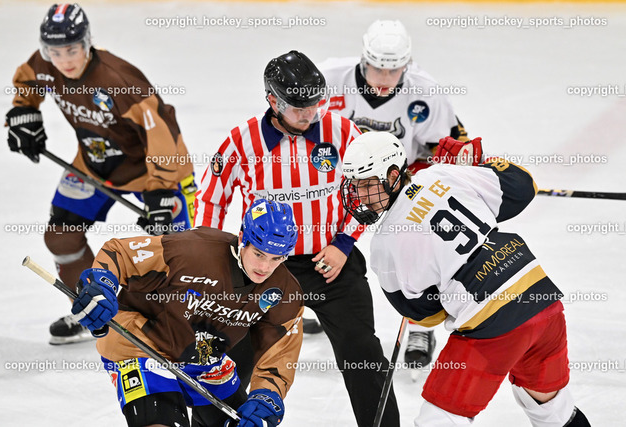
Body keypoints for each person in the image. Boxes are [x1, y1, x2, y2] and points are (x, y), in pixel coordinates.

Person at [194, 51, 400, 426]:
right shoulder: (242, 141)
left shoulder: (342, 131)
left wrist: (344, 243)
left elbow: (368, 192)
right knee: (228, 359)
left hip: (331, 263)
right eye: (299, 107)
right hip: (263, 269)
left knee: (363, 354)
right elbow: (211, 199)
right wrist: (211, 263)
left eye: (315, 104)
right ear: (273, 101)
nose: (309, 114)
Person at [340, 131, 591, 426]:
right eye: (354, 184)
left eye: (367, 183)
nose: (360, 195)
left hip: (493, 325)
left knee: (439, 420)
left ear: (393, 175)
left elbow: (424, 314)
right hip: (543, 302)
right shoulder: (441, 174)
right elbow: (524, 187)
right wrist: (477, 164)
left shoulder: (385, 244)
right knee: (551, 408)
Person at [5, 3, 196, 344]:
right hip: (93, 166)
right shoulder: (44, 65)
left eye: (72, 49)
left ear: (87, 42)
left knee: (176, 253)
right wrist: (23, 112)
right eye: (54, 51)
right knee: (61, 236)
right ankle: (92, 310)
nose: (64, 60)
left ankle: (179, 323)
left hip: (152, 173)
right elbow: (28, 79)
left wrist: (162, 189)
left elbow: (162, 130)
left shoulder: (118, 79)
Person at [70, 198, 303, 427]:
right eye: (259, 254)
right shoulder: (193, 250)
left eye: (277, 258)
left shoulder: (284, 291)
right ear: (243, 239)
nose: (265, 267)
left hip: (203, 359)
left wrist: (267, 397)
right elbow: (119, 253)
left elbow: (279, 355)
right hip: (142, 345)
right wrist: (102, 285)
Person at [319, 19, 471, 369]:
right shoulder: (330, 78)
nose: (385, 78)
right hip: (343, 179)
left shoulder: (425, 92)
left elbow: (447, 145)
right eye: (377, 69)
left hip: (397, 184)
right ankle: (320, 301)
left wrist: (445, 170)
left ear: (407, 63)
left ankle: (421, 324)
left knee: (417, 250)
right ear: (363, 60)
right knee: (320, 234)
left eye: (394, 70)